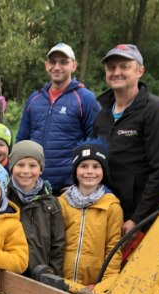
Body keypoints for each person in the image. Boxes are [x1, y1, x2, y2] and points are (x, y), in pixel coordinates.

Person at [92, 44, 159, 239]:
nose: (116, 72)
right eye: (111, 67)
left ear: (140, 71)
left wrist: (139, 219)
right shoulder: (101, 111)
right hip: (107, 211)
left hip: (136, 218)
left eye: (124, 66)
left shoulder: (157, 112)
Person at [15, 43, 101, 193]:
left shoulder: (85, 98)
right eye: (53, 62)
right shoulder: (34, 98)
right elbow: (22, 140)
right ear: (46, 65)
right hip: (32, 184)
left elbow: (94, 143)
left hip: (68, 188)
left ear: (73, 66)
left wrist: (74, 180)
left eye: (63, 62)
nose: (57, 66)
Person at [58, 142, 123, 286]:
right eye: (83, 166)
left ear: (104, 171)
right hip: (61, 280)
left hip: (92, 285)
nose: (89, 171)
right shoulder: (62, 202)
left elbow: (114, 248)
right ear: (75, 170)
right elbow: (54, 243)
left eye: (96, 166)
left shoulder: (111, 207)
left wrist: (104, 284)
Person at [7, 141, 66, 276]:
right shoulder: (4, 198)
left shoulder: (50, 203)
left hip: (39, 274)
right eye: (20, 165)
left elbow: (58, 243)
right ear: (12, 167)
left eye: (32, 165)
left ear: (40, 169)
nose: (26, 171)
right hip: (8, 273)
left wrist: (52, 271)